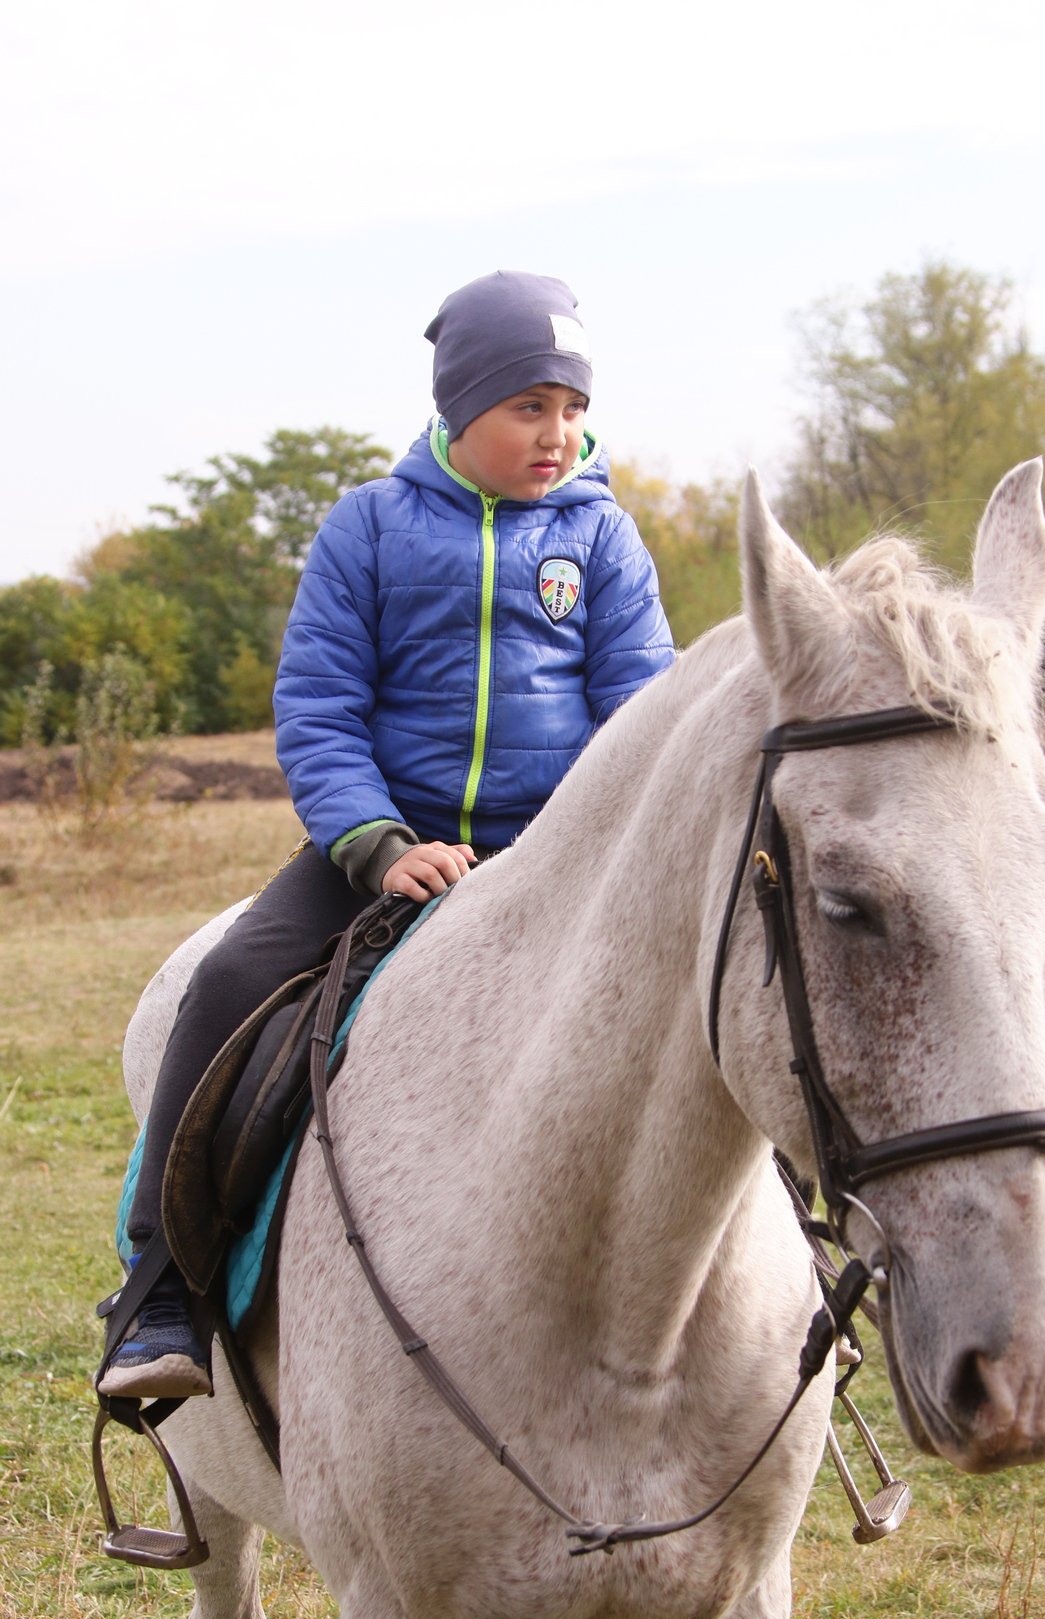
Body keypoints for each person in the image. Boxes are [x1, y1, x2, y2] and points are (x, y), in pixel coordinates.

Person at [98, 270, 675, 1400]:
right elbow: (319, 708)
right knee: (228, 985)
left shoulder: (603, 539)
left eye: (572, 407)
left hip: (553, 856)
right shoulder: (368, 527)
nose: (557, 434)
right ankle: (159, 1289)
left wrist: (602, 848)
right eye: (528, 406)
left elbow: (643, 711)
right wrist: (379, 845)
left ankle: (805, 1270)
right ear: (460, 407)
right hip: (379, 852)